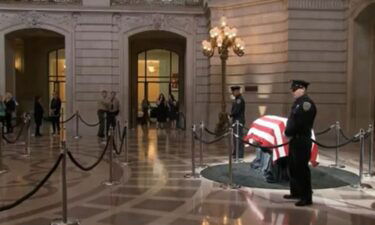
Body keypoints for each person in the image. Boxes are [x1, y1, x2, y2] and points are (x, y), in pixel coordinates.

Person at [284, 80, 317, 207]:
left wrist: (288, 132)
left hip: (302, 140)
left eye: (294, 89)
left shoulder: (306, 104)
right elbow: (292, 120)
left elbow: (300, 123)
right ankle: (296, 192)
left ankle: (306, 197)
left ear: (302, 89)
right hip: (295, 140)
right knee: (293, 167)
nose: (292, 92)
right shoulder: (298, 103)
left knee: (302, 169)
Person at [229, 86, 245, 160]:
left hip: (238, 120)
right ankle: (236, 152)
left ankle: (239, 154)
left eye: (233, 91)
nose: (233, 93)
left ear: (237, 91)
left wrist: (230, 115)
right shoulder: (237, 99)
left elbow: (236, 111)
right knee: (236, 137)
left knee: (238, 138)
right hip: (236, 120)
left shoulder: (239, 100)